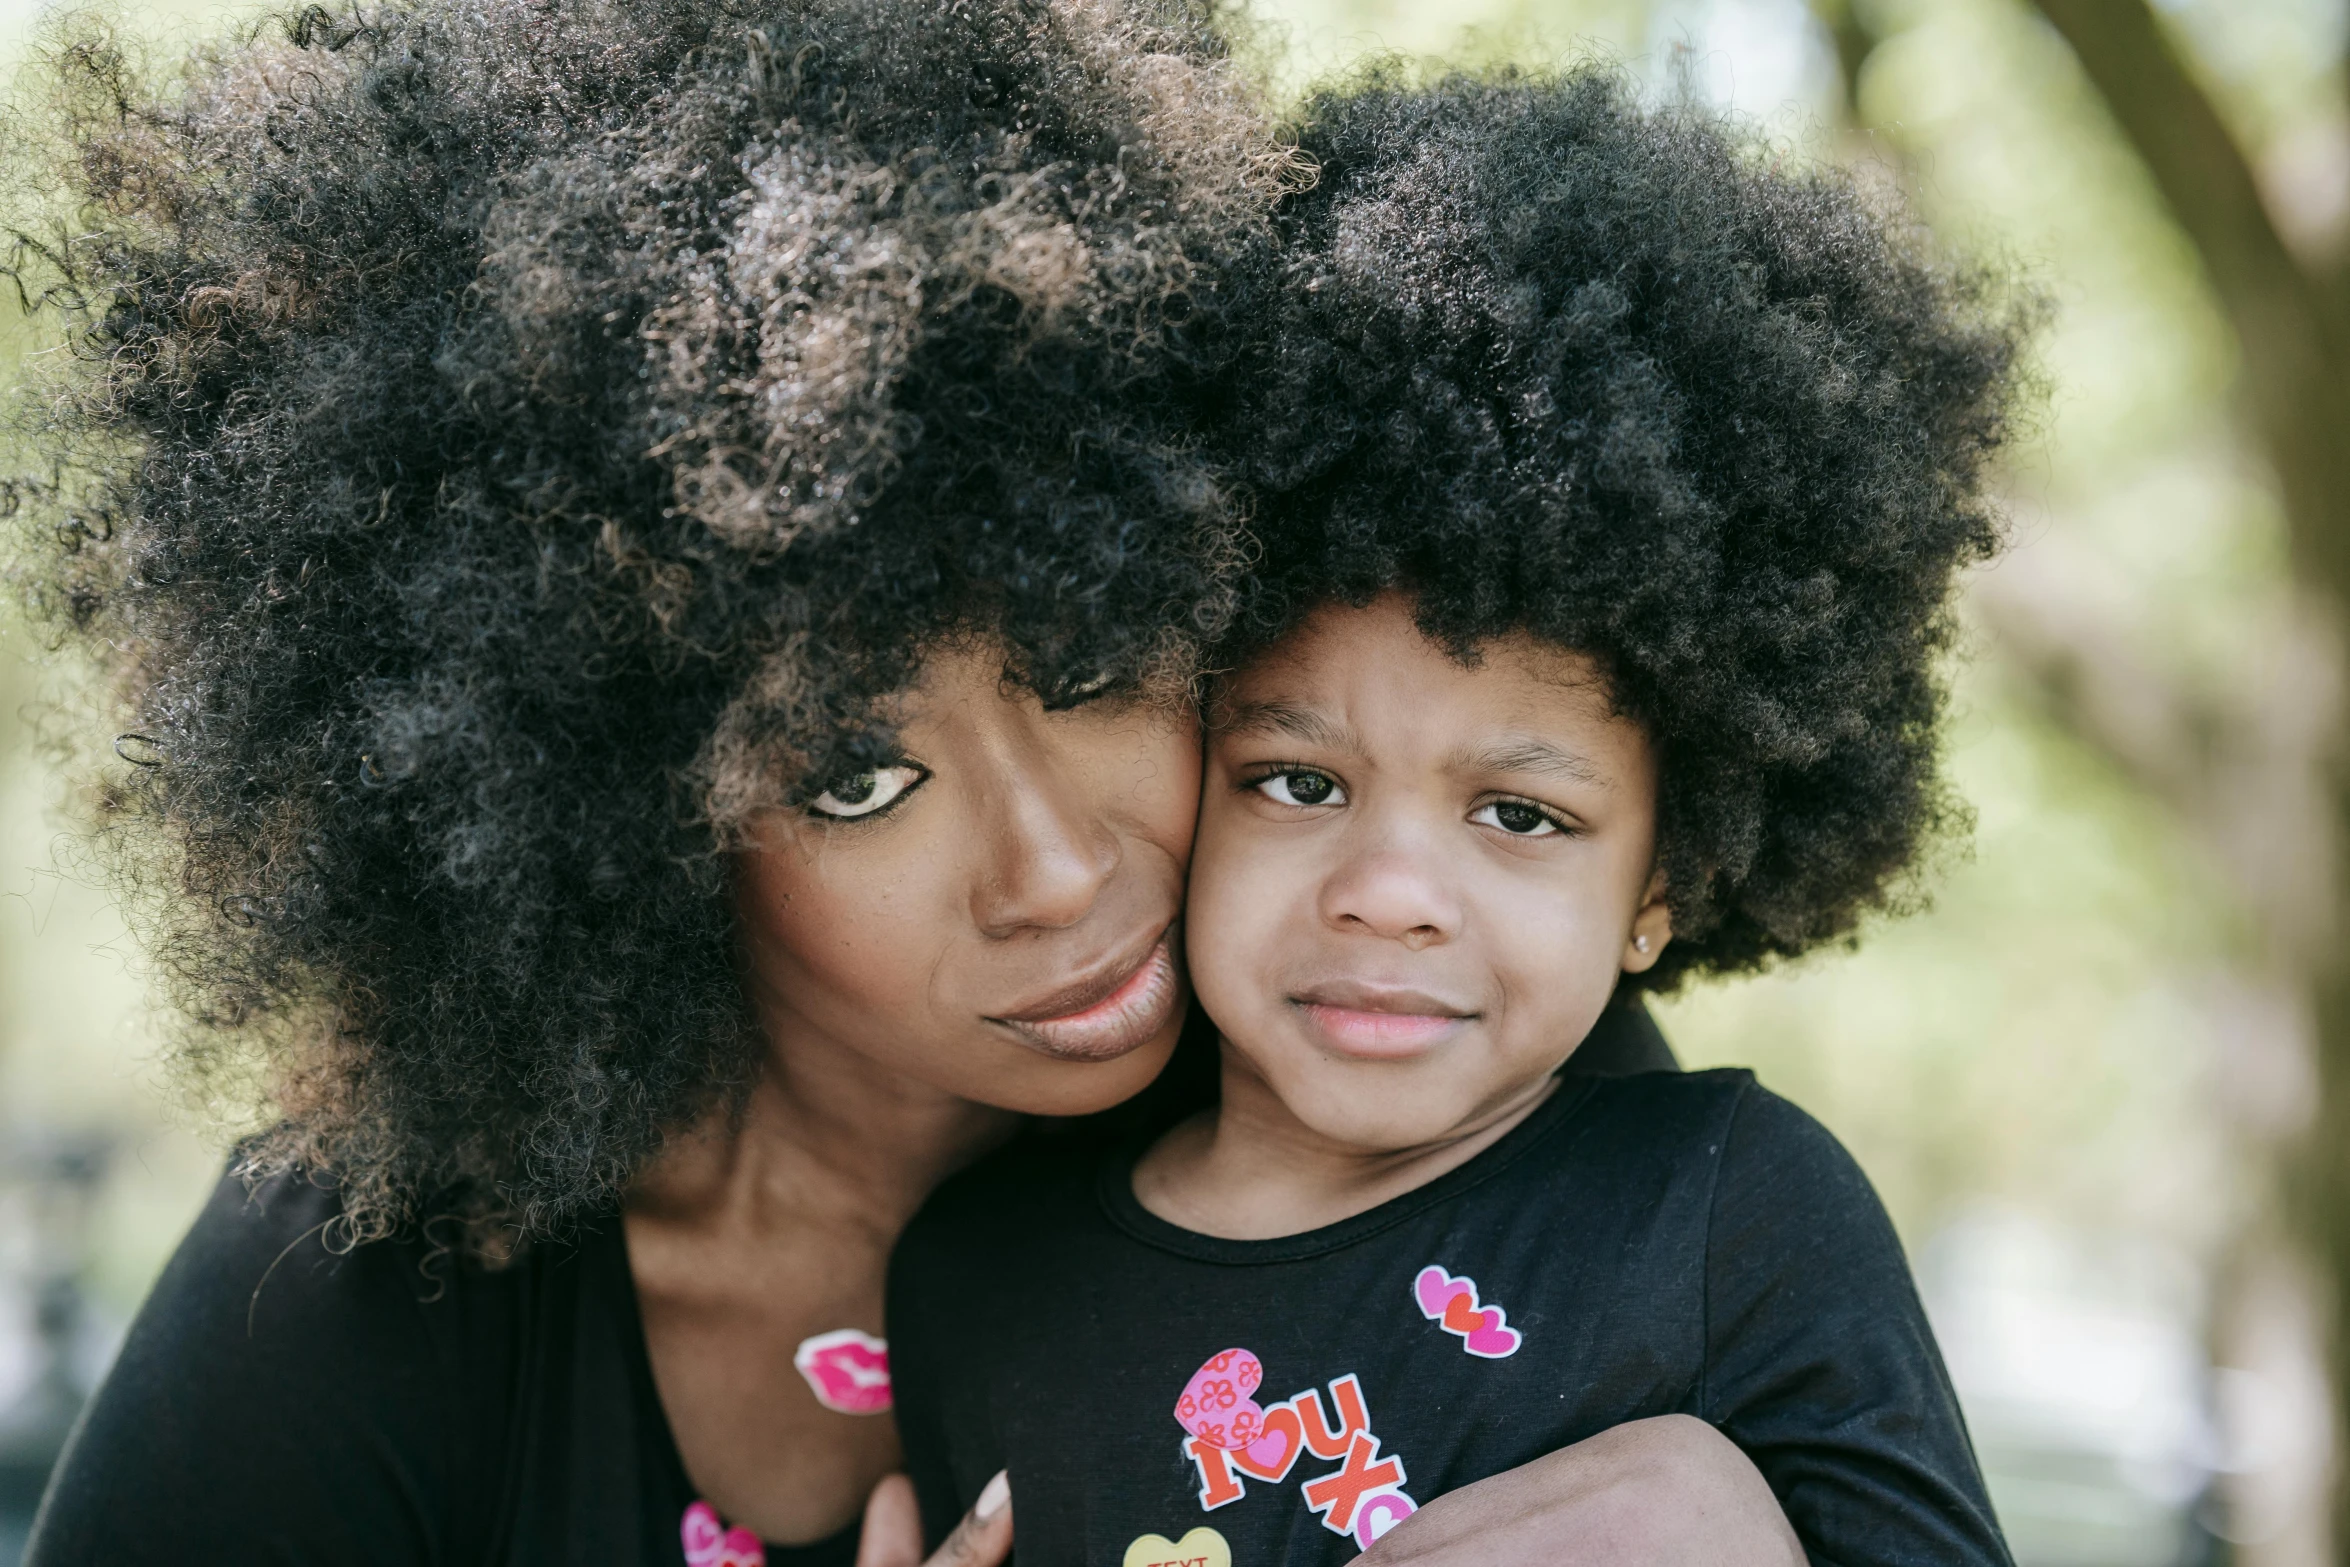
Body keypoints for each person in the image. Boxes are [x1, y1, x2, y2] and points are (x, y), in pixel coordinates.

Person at [3, 2, 1796, 1563]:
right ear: (617, 809)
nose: (1051, 867)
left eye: (1091, 664)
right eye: (855, 774)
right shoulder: (373, 1285)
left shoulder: (1429, 1087)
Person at [887, 63, 2027, 1566]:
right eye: (1298, 784)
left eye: (1518, 813)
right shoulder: (977, 1273)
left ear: (1660, 885)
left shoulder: (1728, 1215)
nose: (1388, 890)